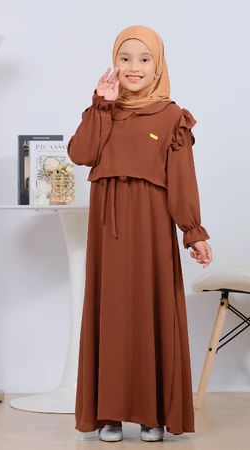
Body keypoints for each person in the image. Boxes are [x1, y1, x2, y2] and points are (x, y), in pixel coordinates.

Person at [67, 24, 212, 442]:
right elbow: (80, 154)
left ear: (158, 65)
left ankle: (152, 415)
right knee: (111, 313)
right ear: (114, 63)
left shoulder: (172, 117)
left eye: (144, 59)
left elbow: (182, 179)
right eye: (125, 58)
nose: (134, 67)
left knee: (150, 310)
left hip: (150, 228)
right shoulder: (103, 112)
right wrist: (100, 104)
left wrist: (193, 231)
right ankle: (109, 413)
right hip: (106, 231)